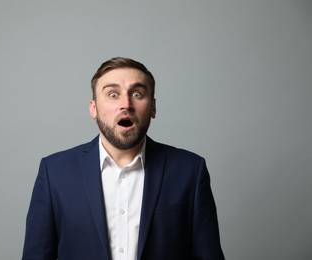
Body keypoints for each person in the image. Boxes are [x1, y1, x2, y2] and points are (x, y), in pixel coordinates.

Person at [22, 57, 225, 260]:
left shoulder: (190, 170)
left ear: (153, 107)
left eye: (137, 94)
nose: (126, 104)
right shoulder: (54, 172)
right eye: (113, 94)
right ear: (93, 108)